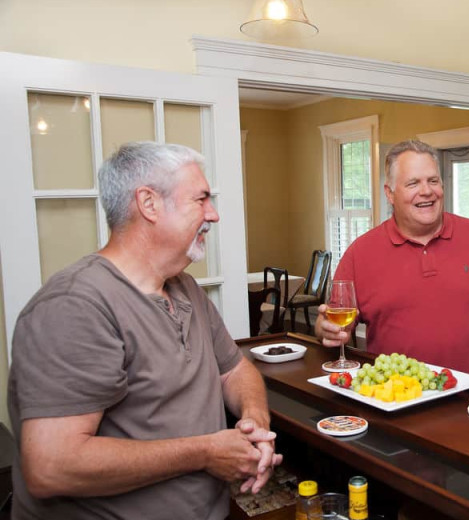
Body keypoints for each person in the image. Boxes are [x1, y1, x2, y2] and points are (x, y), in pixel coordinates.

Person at [7, 142, 282, 519]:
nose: (213, 214)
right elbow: (52, 466)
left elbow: (234, 369)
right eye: (200, 199)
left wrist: (254, 423)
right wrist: (205, 452)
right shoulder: (73, 306)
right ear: (149, 204)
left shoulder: (185, 287)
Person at [315, 139, 469, 376]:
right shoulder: (359, 253)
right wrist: (324, 329)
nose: (426, 191)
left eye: (433, 181)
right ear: (390, 193)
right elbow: (334, 324)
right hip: (396, 401)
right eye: (413, 183)